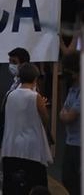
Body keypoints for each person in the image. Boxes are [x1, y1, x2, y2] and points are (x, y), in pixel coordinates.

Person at [1, 62, 52, 194]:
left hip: (11, 146)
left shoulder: (10, 95)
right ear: (35, 79)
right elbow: (45, 119)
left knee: (12, 186)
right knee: (34, 184)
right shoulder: (35, 97)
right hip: (31, 149)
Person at [59, 53, 81, 193]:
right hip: (71, 141)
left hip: (80, 144)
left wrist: (65, 114)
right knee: (68, 178)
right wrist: (65, 114)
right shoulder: (73, 90)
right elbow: (63, 112)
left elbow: (68, 116)